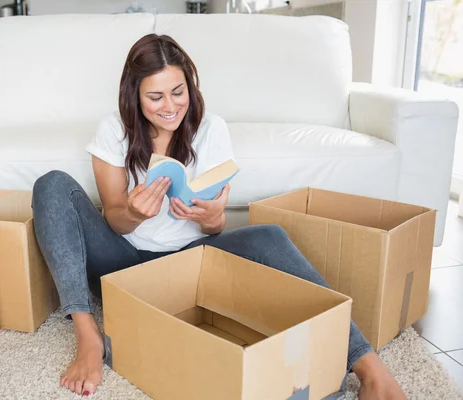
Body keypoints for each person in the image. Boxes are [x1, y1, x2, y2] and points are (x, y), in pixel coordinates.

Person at [32, 34, 406, 399]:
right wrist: (132, 212)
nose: (170, 106)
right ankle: (87, 335)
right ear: (134, 95)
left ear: (190, 86)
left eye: (178, 92)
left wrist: (211, 219)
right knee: (51, 185)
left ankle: (369, 368)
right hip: (123, 265)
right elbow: (113, 218)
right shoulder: (113, 130)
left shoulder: (211, 129)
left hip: (193, 260)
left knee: (270, 236)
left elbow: (217, 225)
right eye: (155, 96)